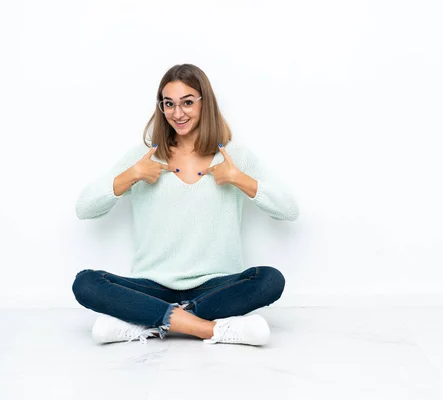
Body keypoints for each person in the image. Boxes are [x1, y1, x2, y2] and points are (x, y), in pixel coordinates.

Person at [72, 64, 299, 346]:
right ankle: (208, 329)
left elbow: (289, 210)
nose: (178, 114)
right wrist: (132, 175)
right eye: (169, 104)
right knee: (86, 283)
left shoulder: (234, 158)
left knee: (269, 280)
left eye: (188, 102)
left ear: (206, 103)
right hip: (152, 286)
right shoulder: (143, 158)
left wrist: (239, 178)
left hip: (216, 286)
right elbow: (85, 208)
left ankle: (148, 321)